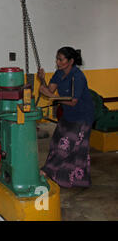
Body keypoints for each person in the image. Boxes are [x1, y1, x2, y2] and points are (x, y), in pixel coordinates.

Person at [37, 46, 95, 188]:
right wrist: (42, 80)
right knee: (56, 143)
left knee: (66, 146)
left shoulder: (78, 77)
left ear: (70, 61)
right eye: (57, 59)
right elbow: (49, 91)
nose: (57, 62)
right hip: (68, 115)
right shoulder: (59, 73)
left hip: (82, 116)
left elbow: (73, 101)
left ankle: (46, 171)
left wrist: (52, 97)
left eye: (61, 59)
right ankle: (64, 178)